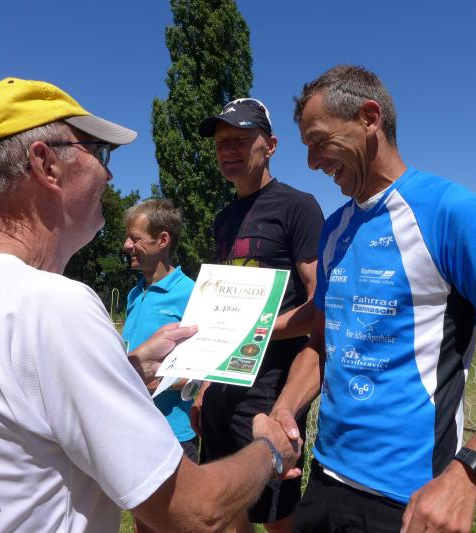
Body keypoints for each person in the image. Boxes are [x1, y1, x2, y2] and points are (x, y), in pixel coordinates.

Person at [0, 77, 301, 533]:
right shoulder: (52, 306)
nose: (109, 176)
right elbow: (196, 512)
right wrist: (270, 450)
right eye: (99, 154)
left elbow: (9, 408)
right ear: (46, 165)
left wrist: (129, 367)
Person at [268, 65, 476, 533]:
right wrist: (285, 407)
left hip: (410, 499)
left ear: (370, 118)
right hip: (324, 480)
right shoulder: (334, 229)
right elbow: (322, 344)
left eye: (319, 141)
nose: (311, 162)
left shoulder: (451, 212)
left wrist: (468, 475)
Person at [193, 97, 324, 532]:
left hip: (271, 386)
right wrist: (206, 382)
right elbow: (220, 308)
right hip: (225, 380)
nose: (228, 150)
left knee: (275, 512)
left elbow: (319, 304)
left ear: (270, 145)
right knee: (224, 502)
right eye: (221, 143)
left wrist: (258, 330)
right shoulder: (224, 219)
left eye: (240, 140)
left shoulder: (297, 206)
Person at [121, 198, 196, 533]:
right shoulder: (134, 294)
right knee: (145, 521)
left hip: (173, 434)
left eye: (135, 238)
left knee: (177, 524)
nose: (127, 246)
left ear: (163, 240)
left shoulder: (191, 293)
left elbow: (202, 370)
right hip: (134, 428)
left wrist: (151, 380)